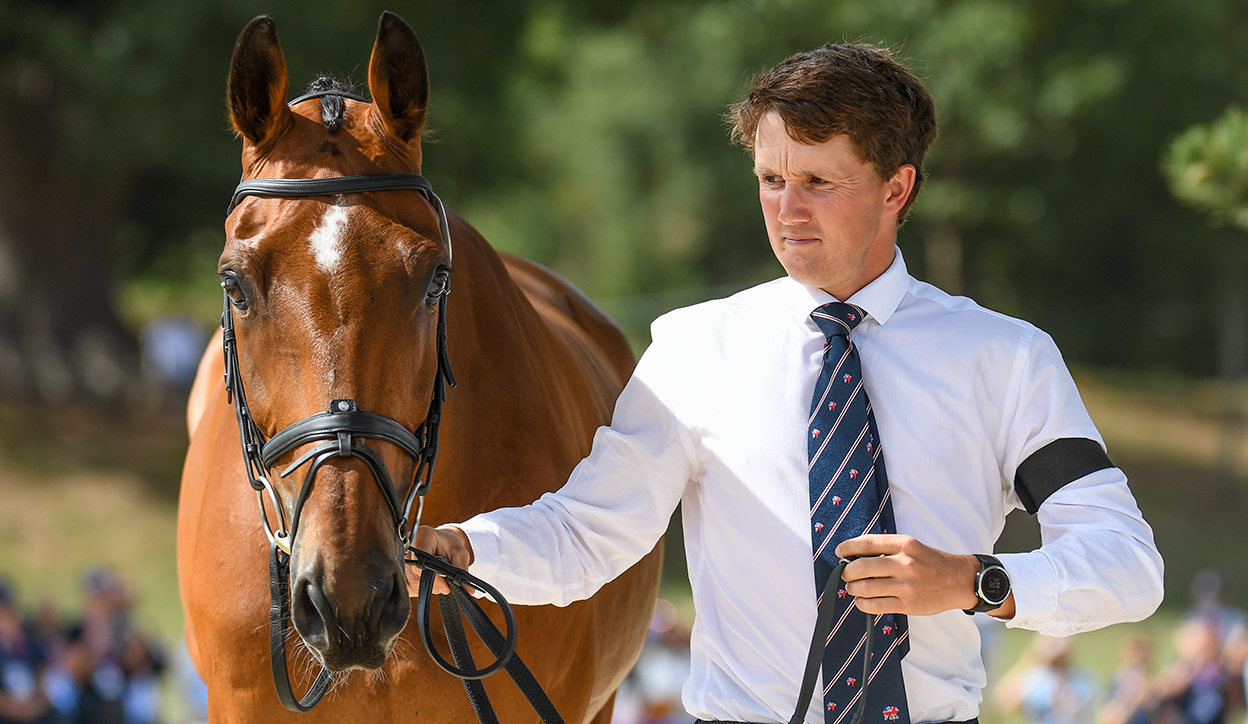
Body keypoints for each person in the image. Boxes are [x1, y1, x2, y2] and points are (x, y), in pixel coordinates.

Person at [410, 43, 1164, 724]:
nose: (786, 209)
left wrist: (975, 582)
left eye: (817, 182)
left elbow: (1126, 566)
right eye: (770, 179)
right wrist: (467, 550)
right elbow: (590, 532)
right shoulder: (692, 349)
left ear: (896, 189)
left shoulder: (1007, 359)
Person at [0, 580, 51, 724]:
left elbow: (44, 687)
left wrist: (31, 707)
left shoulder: (33, 645)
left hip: (33, 715)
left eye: (6, 610)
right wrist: (11, 707)